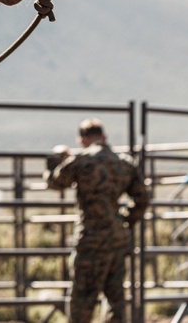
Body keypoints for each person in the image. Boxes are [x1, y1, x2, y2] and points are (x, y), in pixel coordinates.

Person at [44, 118, 150, 323]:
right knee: (115, 298)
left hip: (90, 239)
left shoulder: (81, 161)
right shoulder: (124, 162)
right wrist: (125, 221)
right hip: (117, 239)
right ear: (104, 137)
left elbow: (55, 182)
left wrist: (56, 161)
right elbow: (142, 199)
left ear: (82, 139)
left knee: (82, 299)